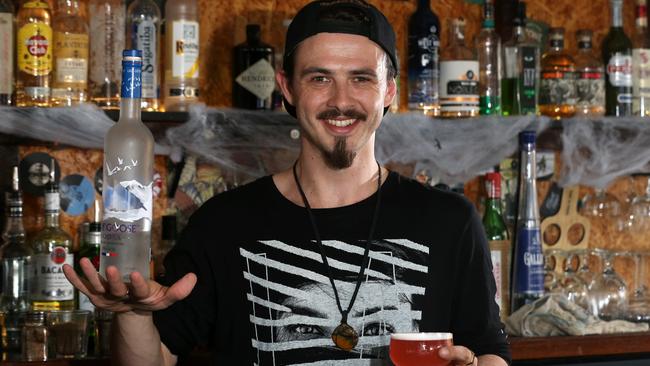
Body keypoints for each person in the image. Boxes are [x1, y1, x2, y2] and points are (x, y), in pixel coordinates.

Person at [63, 1, 511, 365]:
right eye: (320, 78)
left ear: (389, 91)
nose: (341, 101)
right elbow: (154, 361)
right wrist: (131, 316)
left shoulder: (450, 221)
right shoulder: (224, 222)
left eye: (361, 79)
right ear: (287, 89)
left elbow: (491, 351)